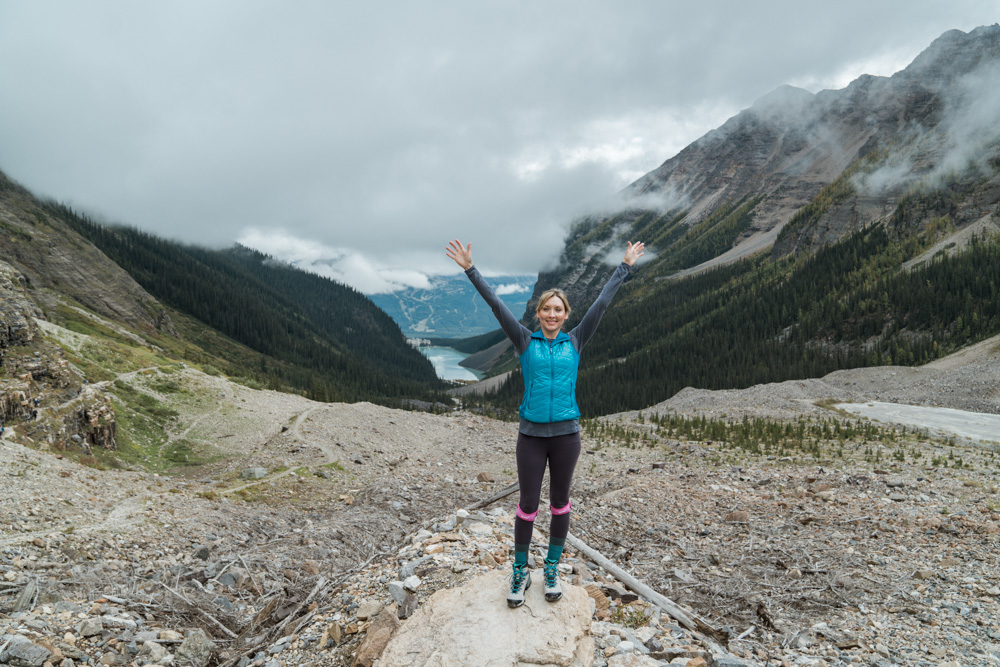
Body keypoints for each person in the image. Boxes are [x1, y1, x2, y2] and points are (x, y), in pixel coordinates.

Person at [446, 238, 644, 608]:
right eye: (546, 310)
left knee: (560, 504)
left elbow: (602, 303)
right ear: (538, 314)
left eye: (558, 310)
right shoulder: (524, 341)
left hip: (567, 436)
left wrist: (625, 266)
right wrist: (471, 269)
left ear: (566, 314)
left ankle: (551, 568)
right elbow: (496, 305)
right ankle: (520, 571)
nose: (552, 315)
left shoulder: (576, 340)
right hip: (532, 437)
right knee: (527, 506)